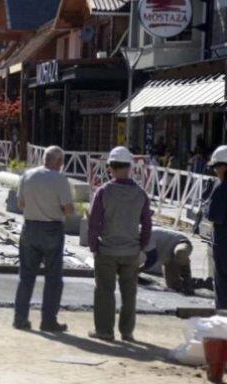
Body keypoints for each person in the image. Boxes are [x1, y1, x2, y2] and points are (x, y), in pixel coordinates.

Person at [88, 146, 152, 342]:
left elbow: (94, 223)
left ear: (110, 168)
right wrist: (141, 245)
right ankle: (127, 332)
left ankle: (105, 331)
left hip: (107, 250)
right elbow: (147, 224)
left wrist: (94, 246)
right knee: (129, 293)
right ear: (130, 167)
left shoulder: (103, 192)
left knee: (105, 291)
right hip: (131, 251)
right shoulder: (141, 194)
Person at [13, 146, 74, 332]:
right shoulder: (60, 179)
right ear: (57, 162)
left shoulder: (28, 175)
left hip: (29, 228)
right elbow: (68, 209)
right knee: (53, 278)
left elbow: (20, 204)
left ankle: (20, 318)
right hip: (52, 230)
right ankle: (48, 320)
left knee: (26, 277)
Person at [140, 227, 194, 295]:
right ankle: (203, 283)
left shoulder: (146, 235)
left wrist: (137, 270)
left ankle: (187, 279)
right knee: (173, 287)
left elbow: (152, 259)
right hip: (167, 260)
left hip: (180, 243)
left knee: (180, 253)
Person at [207, 145, 227, 308]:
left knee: (222, 288)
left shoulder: (221, 189)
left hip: (223, 245)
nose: (215, 171)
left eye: (216, 167)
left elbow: (213, 216)